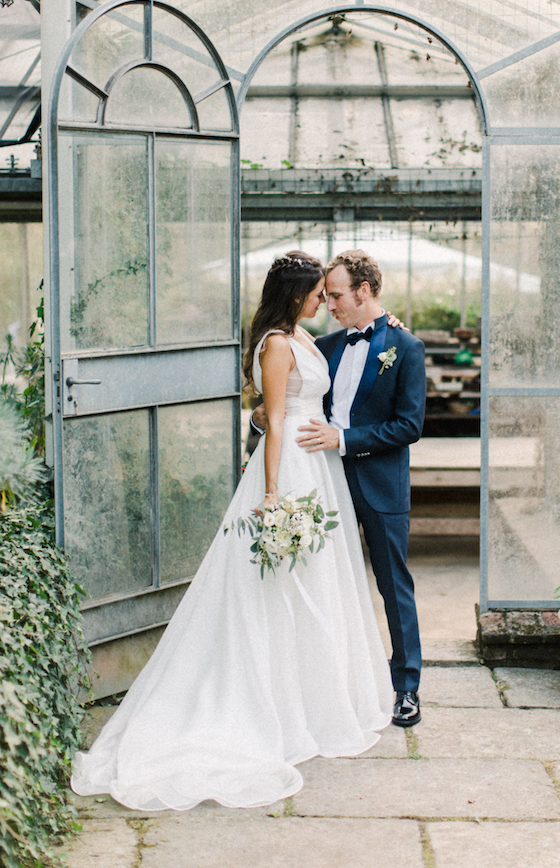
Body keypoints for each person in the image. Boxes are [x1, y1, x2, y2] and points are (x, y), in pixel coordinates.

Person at [70, 252, 393, 811]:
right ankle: (265, 706)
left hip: (316, 468)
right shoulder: (274, 343)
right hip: (288, 468)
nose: (325, 299)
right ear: (296, 294)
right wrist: (271, 495)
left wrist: (390, 327)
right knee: (276, 587)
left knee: (316, 583)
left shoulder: (304, 337)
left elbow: (324, 374)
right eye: (319, 291)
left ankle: (311, 698)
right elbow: (270, 421)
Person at [255, 250, 426, 727]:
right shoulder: (318, 345)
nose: (328, 303)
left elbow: (409, 426)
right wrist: (261, 418)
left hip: (379, 482)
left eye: (335, 295)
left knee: (394, 585)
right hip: (318, 477)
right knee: (321, 580)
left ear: (364, 292)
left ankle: (405, 687)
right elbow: (284, 400)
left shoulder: (405, 347)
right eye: (324, 295)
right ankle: (323, 684)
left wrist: (346, 440)